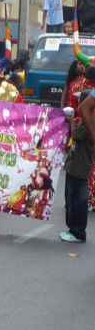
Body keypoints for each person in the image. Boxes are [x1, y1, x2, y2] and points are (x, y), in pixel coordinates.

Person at [62, 91, 95, 242]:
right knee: (72, 198)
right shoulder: (85, 120)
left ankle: (77, 232)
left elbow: (76, 136)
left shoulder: (88, 122)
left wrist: (71, 122)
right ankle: (73, 230)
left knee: (77, 200)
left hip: (79, 167)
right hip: (74, 165)